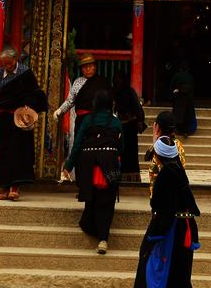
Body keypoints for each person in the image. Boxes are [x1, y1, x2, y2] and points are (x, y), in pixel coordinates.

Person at [133, 134, 200, 288]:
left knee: (152, 263)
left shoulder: (165, 175)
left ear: (159, 155)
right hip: (185, 227)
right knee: (181, 272)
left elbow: (157, 204)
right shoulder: (180, 172)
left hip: (171, 229)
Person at [0, 45, 47, 201]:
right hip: (5, 119)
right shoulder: (0, 74)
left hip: (20, 119)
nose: (7, 66)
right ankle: (4, 186)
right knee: (4, 152)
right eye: (4, 64)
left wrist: (29, 105)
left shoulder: (25, 73)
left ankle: (15, 187)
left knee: (18, 152)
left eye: (10, 63)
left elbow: (36, 93)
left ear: (16, 59)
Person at [63, 89, 122, 254]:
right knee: (106, 201)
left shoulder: (88, 120)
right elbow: (121, 146)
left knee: (92, 198)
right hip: (109, 163)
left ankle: (91, 227)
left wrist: (68, 165)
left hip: (88, 164)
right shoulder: (116, 122)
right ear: (110, 104)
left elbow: (78, 144)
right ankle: (103, 238)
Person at [53, 54, 111, 152]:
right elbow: (70, 101)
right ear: (81, 69)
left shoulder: (103, 82)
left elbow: (109, 103)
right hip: (81, 122)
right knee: (80, 149)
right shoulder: (77, 82)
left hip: (99, 121)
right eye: (85, 67)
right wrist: (60, 110)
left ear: (95, 67)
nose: (88, 69)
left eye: (90, 66)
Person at [112, 72, 146, 183]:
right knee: (120, 151)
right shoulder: (113, 92)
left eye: (119, 79)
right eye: (116, 79)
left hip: (130, 126)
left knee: (130, 152)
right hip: (118, 126)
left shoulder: (129, 91)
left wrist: (140, 119)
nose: (117, 81)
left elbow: (137, 107)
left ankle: (132, 177)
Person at [143, 110, 186, 195]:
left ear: (157, 127)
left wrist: (155, 140)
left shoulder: (161, 146)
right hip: (175, 193)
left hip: (161, 194)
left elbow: (151, 164)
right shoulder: (178, 144)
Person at [168, 62, 197, 137]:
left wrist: (175, 92)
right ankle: (186, 131)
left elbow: (172, 85)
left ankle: (178, 130)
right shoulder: (190, 76)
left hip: (179, 99)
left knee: (178, 115)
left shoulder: (177, 75)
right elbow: (192, 87)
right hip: (188, 99)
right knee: (187, 115)